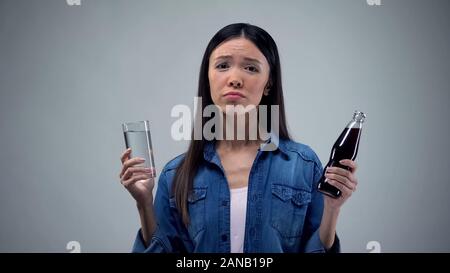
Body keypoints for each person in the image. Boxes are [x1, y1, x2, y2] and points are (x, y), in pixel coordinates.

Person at [119, 23, 359, 253]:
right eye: (223, 66)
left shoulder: (303, 165)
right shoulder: (176, 175)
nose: (234, 78)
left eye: (251, 68)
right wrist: (143, 203)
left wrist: (332, 208)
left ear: (269, 83)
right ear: (208, 77)